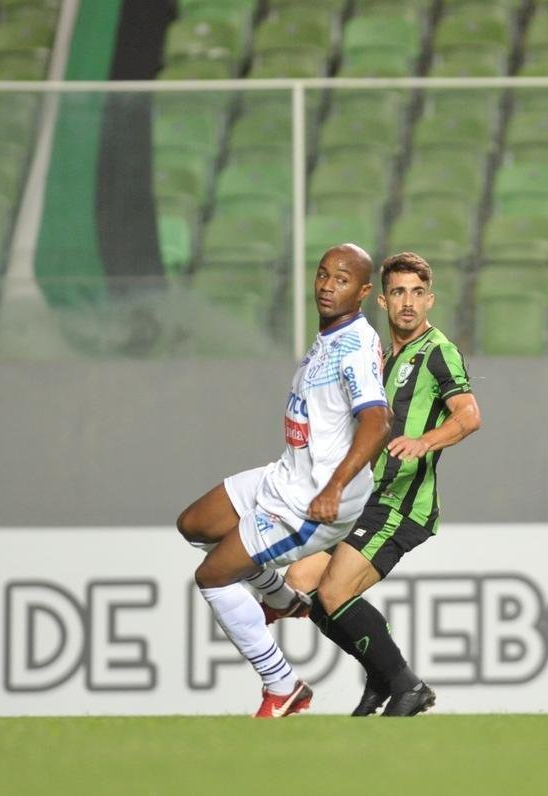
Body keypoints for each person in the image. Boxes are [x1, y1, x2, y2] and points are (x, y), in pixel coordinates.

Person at [175, 243, 391, 718]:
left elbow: (377, 421)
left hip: (312, 501)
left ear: (363, 291)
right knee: (194, 524)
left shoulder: (353, 347)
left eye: (342, 279)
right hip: (286, 475)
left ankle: (283, 686)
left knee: (212, 576)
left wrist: (334, 488)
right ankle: (280, 597)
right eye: (323, 275)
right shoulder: (333, 334)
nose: (328, 286)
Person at [279, 251, 481, 717]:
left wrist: (424, 442)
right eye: (397, 293)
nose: (407, 303)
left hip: (401, 505)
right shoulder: (383, 358)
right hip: (366, 500)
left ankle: (407, 685)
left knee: (333, 592)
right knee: (301, 583)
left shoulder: (437, 353)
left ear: (430, 300)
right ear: (384, 302)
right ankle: (381, 674)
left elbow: (469, 416)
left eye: (416, 293)